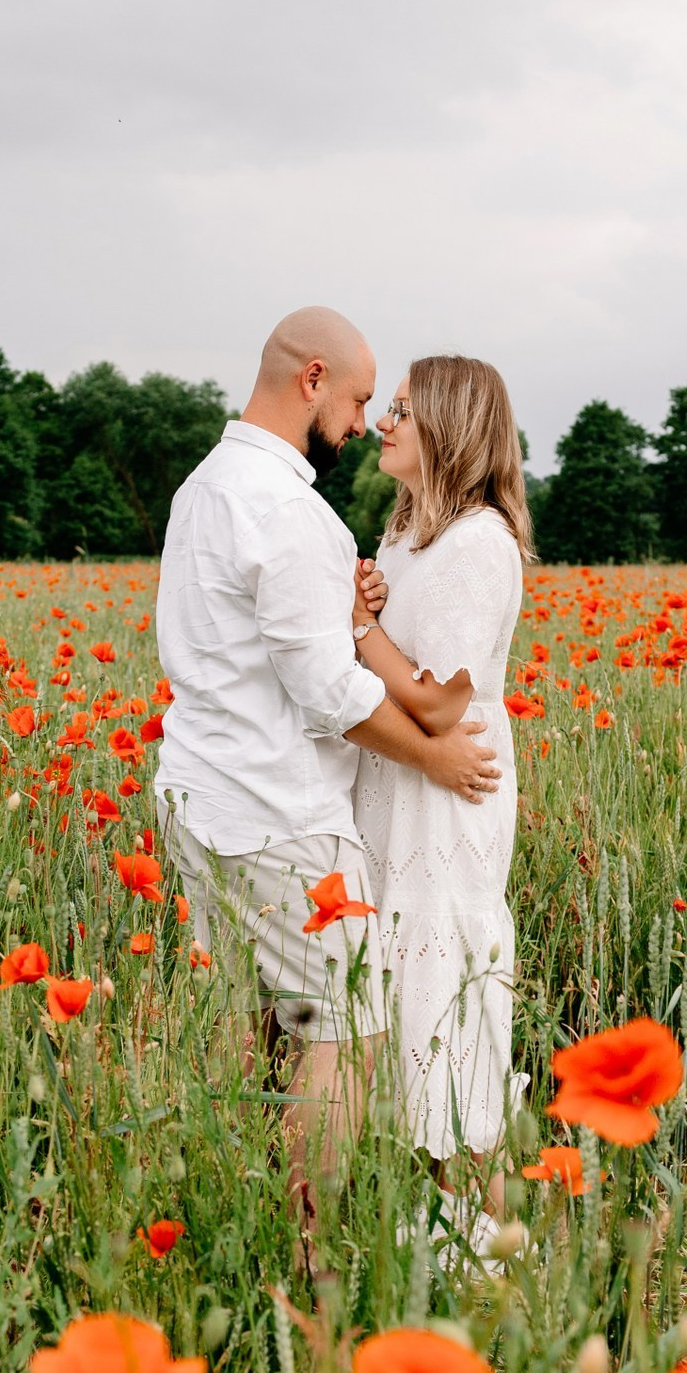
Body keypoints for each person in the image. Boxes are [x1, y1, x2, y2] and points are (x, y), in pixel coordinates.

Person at [151, 307, 500, 1219]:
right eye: (352, 400)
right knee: (343, 1033)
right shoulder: (288, 509)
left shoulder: (204, 487)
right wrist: (433, 752)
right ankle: (315, 1244)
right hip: (283, 813)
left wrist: (355, 612)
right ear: (311, 379)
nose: (359, 422)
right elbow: (326, 689)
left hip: (199, 795)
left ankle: (249, 1213)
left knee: (261, 1025)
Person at [348, 357, 531, 1208]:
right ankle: (433, 1246)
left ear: (452, 426)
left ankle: (497, 1266)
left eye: (403, 410)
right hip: (398, 794)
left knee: (446, 1028)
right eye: (385, 408)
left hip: (447, 797)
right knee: (403, 1010)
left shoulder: (478, 543)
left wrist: (356, 629)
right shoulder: (407, 535)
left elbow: (439, 702)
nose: (384, 422)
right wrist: (375, 609)